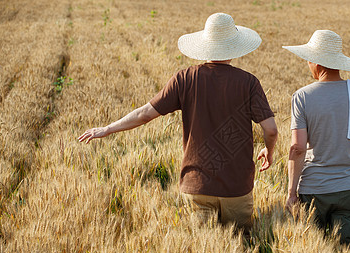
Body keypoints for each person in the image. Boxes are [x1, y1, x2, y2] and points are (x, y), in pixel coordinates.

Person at [78, 13, 278, 234]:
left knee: (202, 252)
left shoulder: (184, 78)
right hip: (237, 187)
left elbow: (145, 114)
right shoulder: (249, 83)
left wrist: (107, 129)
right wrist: (269, 152)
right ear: (235, 47)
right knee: (242, 248)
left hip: (196, 185)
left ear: (206, 45)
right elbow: (270, 129)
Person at [282, 30, 350, 253]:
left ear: (316, 63)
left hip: (314, 190)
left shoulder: (302, 97)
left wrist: (291, 192)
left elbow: (297, 149)